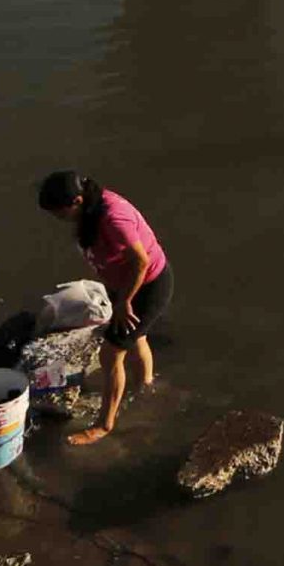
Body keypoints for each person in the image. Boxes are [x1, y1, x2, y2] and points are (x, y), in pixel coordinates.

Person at [37, 170, 171, 447]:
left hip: (146, 287)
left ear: (76, 200)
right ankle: (145, 385)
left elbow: (141, 262)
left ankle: (104, 425)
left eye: (59, 212)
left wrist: (124, 302)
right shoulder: (91, 206)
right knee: (137, 337)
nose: (58, 219)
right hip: (124, 285)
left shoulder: (113, 218)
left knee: (111, 354)